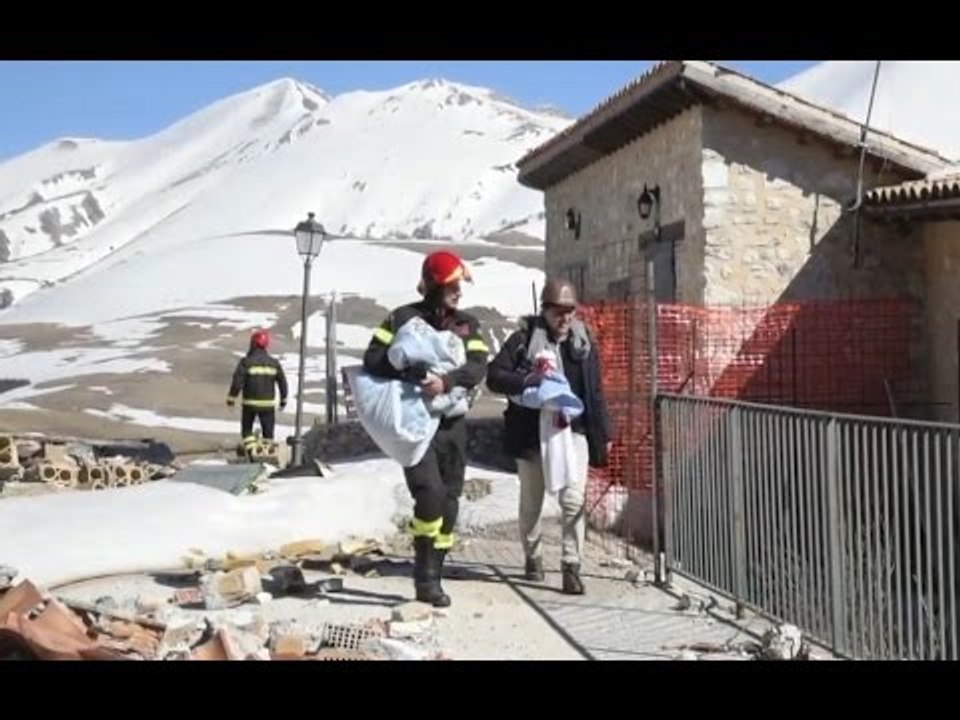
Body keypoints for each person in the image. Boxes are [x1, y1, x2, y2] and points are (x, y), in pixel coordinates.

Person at [362, 250, 488, 607]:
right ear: (434, 285)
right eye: (452, 285)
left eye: (460, 286)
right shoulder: (401, 318)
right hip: (415, 425)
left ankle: (436, 572)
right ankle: (424, 577)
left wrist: (446, 382)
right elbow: (372, 358)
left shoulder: (468, 323)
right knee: (429, 494)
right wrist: (409, 372)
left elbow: (479, 366)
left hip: (453, 425)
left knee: (449, 501)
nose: (458, 292)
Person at [486, 278, 612, 595]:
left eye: (570, 310)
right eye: (559, 310)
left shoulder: (584, 345)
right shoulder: (523, 340)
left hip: (573, 433)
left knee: (573, 501)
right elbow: (495, 376)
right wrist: (529, 379)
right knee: (532, 503)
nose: (565, 317)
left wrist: (603, 433)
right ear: (545, 310)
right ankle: (534, 556)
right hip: (531, 436)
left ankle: (571, 567)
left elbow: (594, 393)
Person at [227, 329, 288, 459]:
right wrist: (283, 400)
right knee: (268, 434)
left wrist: (231, 399)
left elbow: (237, 381)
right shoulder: (274, 363)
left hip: (249, 404)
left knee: (247, 431)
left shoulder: (246, 362)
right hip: (268, 405)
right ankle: (266, 456)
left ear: (253, 343)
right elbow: (283, 383)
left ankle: (251, 452)